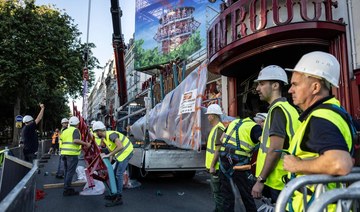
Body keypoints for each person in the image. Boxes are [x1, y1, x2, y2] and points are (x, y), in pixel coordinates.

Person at [283, 51, 354, 211]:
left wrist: (297, 166)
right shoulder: (334, 112)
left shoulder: (320, 119)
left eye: (295, 84)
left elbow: (340, 163)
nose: (290, 90)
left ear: (315, 87)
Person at [252, 65, 300, 203]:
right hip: (286, 179)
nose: (257, 89)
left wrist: (261, 180)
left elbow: (274, 150)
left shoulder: (277, 110)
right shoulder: (289, 109)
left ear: (275, 85)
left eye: (261, 84)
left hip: (279, 181)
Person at [219, 112, 262, 212]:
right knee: (246, 196)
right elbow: (264, 144)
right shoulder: (255, 127)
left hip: (224, 161)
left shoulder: (234, 123)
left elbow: (222, 139)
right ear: (257, 121)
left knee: (227, 196)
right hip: (239, 164)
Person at [92, 121, 134, 207]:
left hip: (126, 152)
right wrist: (109, 163)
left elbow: (120, 146)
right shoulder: (105, 138)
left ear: (100, 130)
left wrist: (108, 155)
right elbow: (112, 151)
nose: (96, 134)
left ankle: (118, 197)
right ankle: (114, 194)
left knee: (118, 174)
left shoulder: (111, 135)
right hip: (121, 154)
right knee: (114, 173)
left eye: (96, 132)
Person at [60, 116, 91, 196]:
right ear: (77, 124)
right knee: (70, 172)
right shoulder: (75, 130)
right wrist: (86, 144)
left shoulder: (65, 131)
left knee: (67, 171)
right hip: (71, 154)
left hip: (64, 153)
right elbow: (75, 140)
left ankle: (66, 186)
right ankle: (67, 189)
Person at [204, 104, 225, 212]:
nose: (208, 117)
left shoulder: (219, 129)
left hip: (216, 168)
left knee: (218, 194)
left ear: (213, 116)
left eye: (209, 115)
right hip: (214, 167)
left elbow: (218, 149)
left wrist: (212, 166)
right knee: (216, 193)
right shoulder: (216, 128)